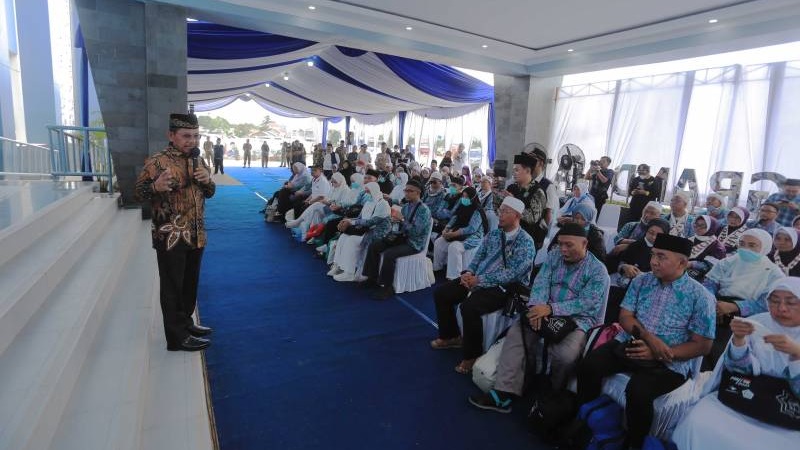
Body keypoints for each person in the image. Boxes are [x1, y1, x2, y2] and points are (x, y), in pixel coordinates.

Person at [576, 234, 715, 449]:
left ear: (682, 263)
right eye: (653, 255)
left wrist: (661, 352)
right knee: (589, 365)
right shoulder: (642, 281)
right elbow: (625, 317)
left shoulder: (700, 297)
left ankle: (634, 443)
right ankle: (588, 419)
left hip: (671, 360)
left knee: (638, 392)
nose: (653, 262)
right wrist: (649, 339)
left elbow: (703, 345)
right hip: (632, 343)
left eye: (661, 257)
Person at [468, 222, 609, 412]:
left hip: (577, 320)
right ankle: (504, 392)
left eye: (569, 245)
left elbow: (588, 302)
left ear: (584, 244)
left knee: (565, 356)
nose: (563, 250)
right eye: (560, 244)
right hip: (543, 310)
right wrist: (536, 308)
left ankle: (553, 392)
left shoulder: (597, 270)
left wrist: (551, 309)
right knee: (517, 334)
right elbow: (540, 284)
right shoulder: (554, 257)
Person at [672, 277, 800, 449]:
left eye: (791, 302)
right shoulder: (757, 323)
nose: (781, 308)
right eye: (774, 301)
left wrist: (796, 354)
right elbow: (737, 371)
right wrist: (739, 341)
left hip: (788, 413)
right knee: (698, 421)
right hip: (747, 395)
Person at [134, 113, 215, 351]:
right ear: (171, 135)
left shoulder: (199, 161)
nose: (192, 140)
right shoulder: (157, 161)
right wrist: (155, 187)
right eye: (186, 136)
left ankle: (186, 323)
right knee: (172, 287)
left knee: (190, 284)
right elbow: (136, 193)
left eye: (196, 136)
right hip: (170, 236)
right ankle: (176, 338)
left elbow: (210, 193)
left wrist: (207, 181)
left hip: (197, 233)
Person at [431, 197, 536, 374]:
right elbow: (479, 256)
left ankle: (472, 355)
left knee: (469, 307)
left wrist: (480, 280)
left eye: (505, 211)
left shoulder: (526, 242)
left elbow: (513, 274)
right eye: (500, 210)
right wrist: (469, 273)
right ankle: (451, 336)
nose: (500, 215)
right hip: (478, 279)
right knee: (442, 293)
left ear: (517, 215)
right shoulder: (494, 234)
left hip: (506, 287)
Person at [703, 228, 785, 369]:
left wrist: (735, 307)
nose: (745, 248)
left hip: (748, 319)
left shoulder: (772, 272)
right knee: (702, 349)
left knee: (726, 355)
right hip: (715, 310)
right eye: (742, 243)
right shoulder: (728, 262)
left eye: (752, 245)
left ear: (764, 247)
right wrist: (713, 305)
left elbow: (768, 303)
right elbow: (708, 285)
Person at [361, 179, 432, 300]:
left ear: (418, 192)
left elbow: (416, 233)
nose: (406, 193)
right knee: (375, 245)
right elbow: (401, 227)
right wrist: (396, 222)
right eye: (406, 190)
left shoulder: (424, 210)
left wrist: (402, 220)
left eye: (410, 191)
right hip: (403, 237)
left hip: (414, 243)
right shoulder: (406, 206)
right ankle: (371, 278)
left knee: (389, 254)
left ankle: (387, 287)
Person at [331, 182, 391, 282]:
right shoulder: (369, 202)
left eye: (369, 192)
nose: (367, 194)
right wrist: (348, 221)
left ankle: (349, 273)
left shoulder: (383, 204)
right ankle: (338, 266)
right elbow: (360, 218)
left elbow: (372, 222)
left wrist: (352, 222)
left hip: (375, 232)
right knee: (343, 237)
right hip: (364, 229)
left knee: (351, 240)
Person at [432, 187, 489, 280]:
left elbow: (471, 229)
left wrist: (454, 234)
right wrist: (446, 229)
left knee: (454, 247)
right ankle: (437, 268)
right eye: (463, 196)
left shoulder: (477, 210)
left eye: (466, 197)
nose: (464, 199)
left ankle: (454, 277)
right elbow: (455, 218)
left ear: (472, 198)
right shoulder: (462, 206)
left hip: (473, 236)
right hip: (458, 232)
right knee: (439, 242)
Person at [497, 151, 548, 249]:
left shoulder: (537, 191)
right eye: (513, 170)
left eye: (517, 170)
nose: (514, 173)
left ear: (528, 171)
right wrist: (496, 194)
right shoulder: (511, 188)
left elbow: (533, 218)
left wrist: (513, 202)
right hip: (506, 236)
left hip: (525, 240)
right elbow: (498, 211)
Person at [686, 215, 726, 281]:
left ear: (711, 227)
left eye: (703, 226)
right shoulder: (692, 239)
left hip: (703, 278)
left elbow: (710, 266)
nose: (698, 228)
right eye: (696, 224)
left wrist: (691, 264)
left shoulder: (717, 247)